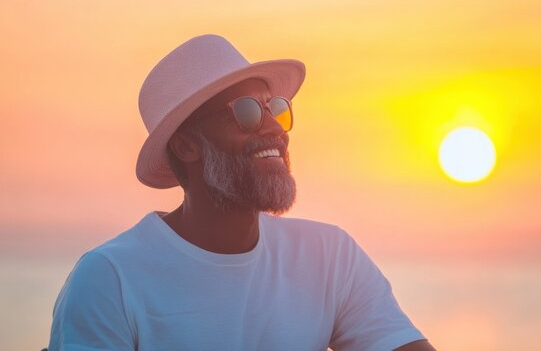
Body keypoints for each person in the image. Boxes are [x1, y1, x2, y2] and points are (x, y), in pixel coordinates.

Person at [47, 35, 436, 351]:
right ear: (186, 146)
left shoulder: (329, 255)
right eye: (247, 112)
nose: (274, 129)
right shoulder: (110, 278)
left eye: (275, 108)